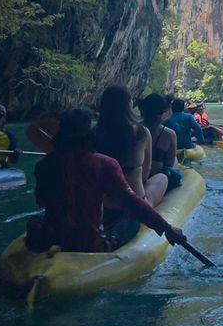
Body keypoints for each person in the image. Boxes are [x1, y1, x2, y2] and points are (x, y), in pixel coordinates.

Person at [26, 107, 185, 253]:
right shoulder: (104, 163)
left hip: (52, 238)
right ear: (90, 134)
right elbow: (130, 202)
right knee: (130, 219)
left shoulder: (44, 164)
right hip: (91, 244)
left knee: (37, 221)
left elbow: (41, 201)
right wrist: (167, 228)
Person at [92, 84, 168, 208]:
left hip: (103, 201)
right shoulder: (141, 133)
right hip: (133, 202)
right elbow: (146, 171)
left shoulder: (94, 133)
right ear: (127, 104)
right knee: (162, 178)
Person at [139, 93, 179, 184]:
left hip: (136, 179)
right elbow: (169, 165)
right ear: (162, 113)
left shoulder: (133, 129)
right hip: (155, 180)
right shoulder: (169, 135)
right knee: (175, 162)